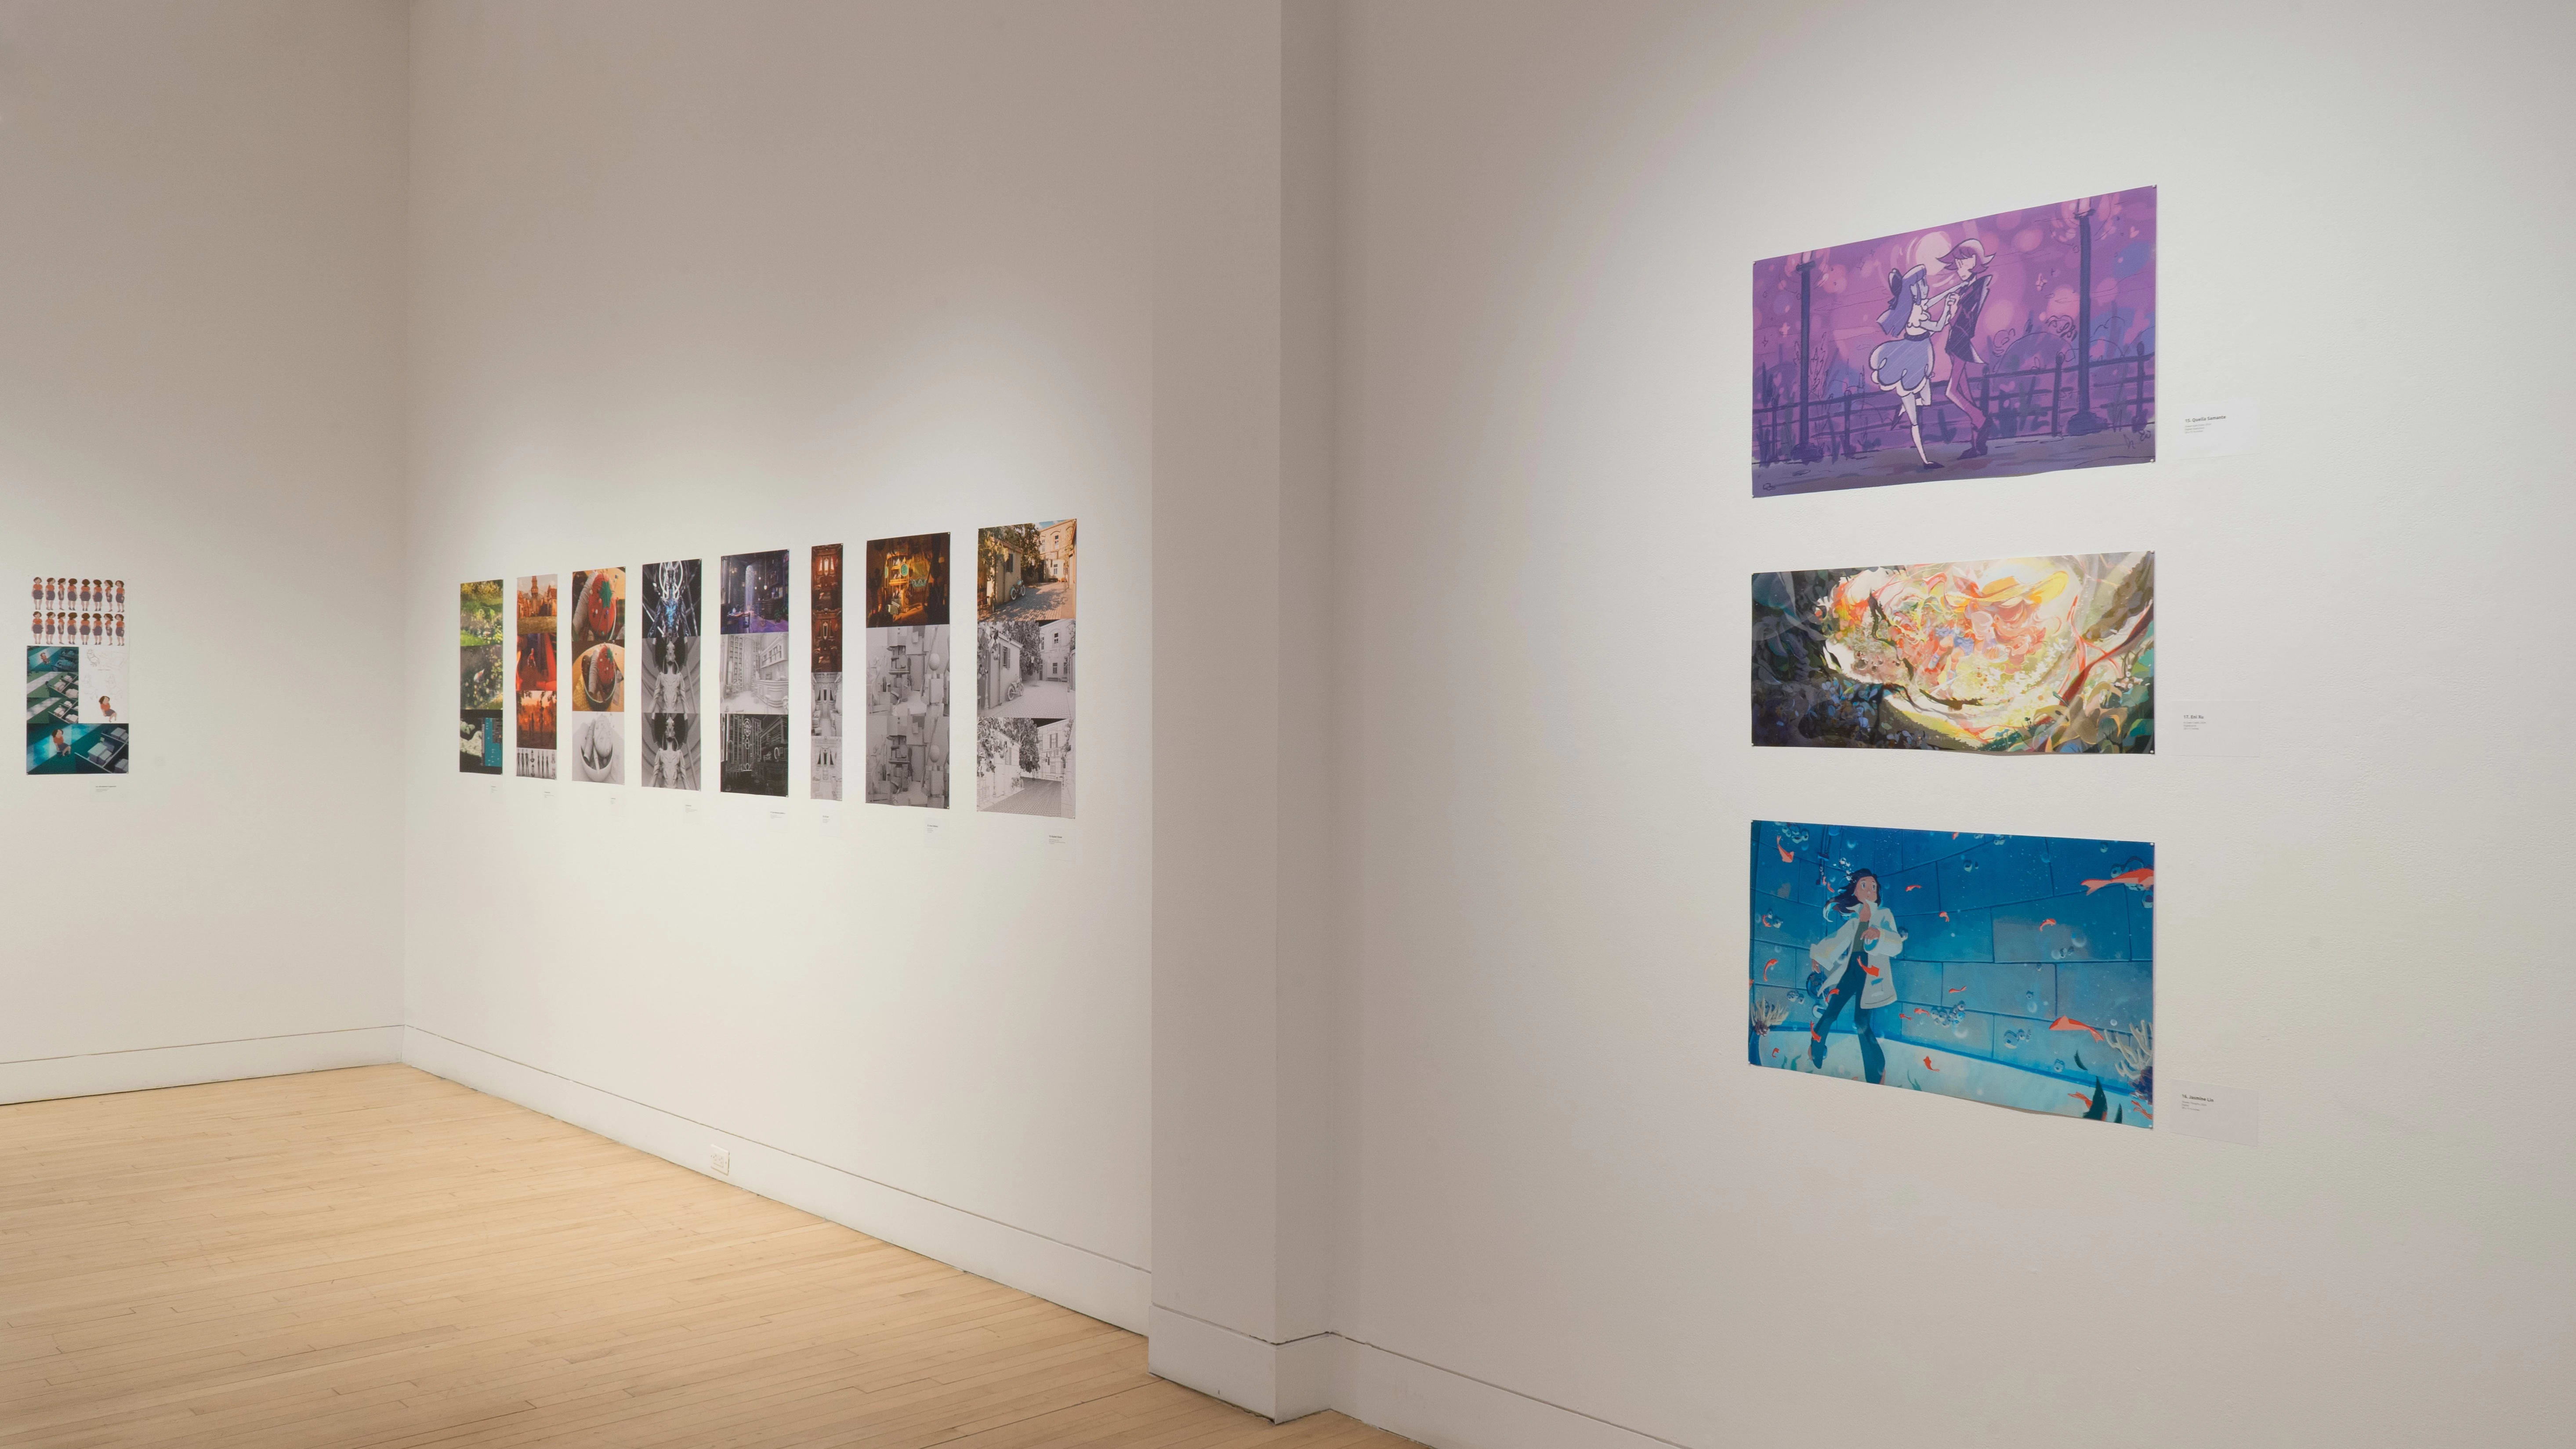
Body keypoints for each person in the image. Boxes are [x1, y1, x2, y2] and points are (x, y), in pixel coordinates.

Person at [1804, 868, 1906, 1083]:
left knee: (1861, 1021)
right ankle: (1816, 1048)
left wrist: (1880, 934)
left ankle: (1876, 1070)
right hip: (1852, 971)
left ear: (1878, 893)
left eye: (1873, 887)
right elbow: (1836, 941)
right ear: (1855, 892)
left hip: (1870, 976)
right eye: (1864, 886)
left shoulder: (1884, 915)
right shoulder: (1853, 922)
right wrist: (1820, 957)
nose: (1870, 890)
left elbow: (1896, 944)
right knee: (1831, 1012)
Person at [1867, 267, 1949, 469]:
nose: (1925, 286)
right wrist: (1948, 309)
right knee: (1915, 421)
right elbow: (1938, 327)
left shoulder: (1918, 306)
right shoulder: (1915, 314)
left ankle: (1903, 407)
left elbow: (1934, 299)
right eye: (1921, 283)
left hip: (1920, 357)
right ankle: (1925, 460)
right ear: (1913, 290)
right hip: (1909, 362)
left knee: (1927, 401)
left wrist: (1955, 289)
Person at [1938, 238, 1995, 458]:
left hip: (1961, 343)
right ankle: (1977, 445)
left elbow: (1966, 323)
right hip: (1954, 343)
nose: (1959, 268)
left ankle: (1981, 419)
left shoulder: (1975, 289)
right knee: (1966, 395)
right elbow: (1953, 322)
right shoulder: (1966, 290)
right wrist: (1951, 308)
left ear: (1975, 262)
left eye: (1964, 263)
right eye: (1957, 264)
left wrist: (1953, 310)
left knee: (1951, 392)